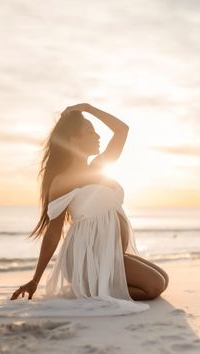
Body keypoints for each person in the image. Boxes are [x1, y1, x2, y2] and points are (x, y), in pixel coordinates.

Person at [11, 103, 169, 315]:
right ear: (72, 139)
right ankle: (93, 288)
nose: (97, 136)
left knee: (163, 279)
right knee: (155, 286)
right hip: (88, 260)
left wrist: (87, 107)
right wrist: (35, 280)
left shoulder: (98, 166)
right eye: (90, 131)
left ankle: (101, 287)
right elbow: (53, 232)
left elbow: (122, 130)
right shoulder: (62, 181)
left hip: (109, 254)